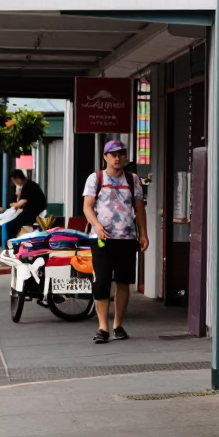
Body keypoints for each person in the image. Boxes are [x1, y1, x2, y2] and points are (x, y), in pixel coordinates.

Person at [82, 140, 148, 344]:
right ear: (105, 157)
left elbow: (139, 208)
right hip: (102, 239)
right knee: (101, 281)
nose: (117, 158)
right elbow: (87, 207)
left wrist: (143, 233)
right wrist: (97, 226)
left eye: (120, 154)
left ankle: (118, 325)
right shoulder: (96, 178)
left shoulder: (133, 179)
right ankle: (102, 327)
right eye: (113, 154)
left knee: (123, 281)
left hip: (127, 238)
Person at [6, 169, 46, 238]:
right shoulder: (29, 184)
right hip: (32, 212)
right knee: (13, 224)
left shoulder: (28, 186)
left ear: (18, 178)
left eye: (14, 180)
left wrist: (14, 205)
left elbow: (22, 202)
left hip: (33, 213)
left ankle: (13, 245)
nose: (14, 183)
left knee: (11, 226)